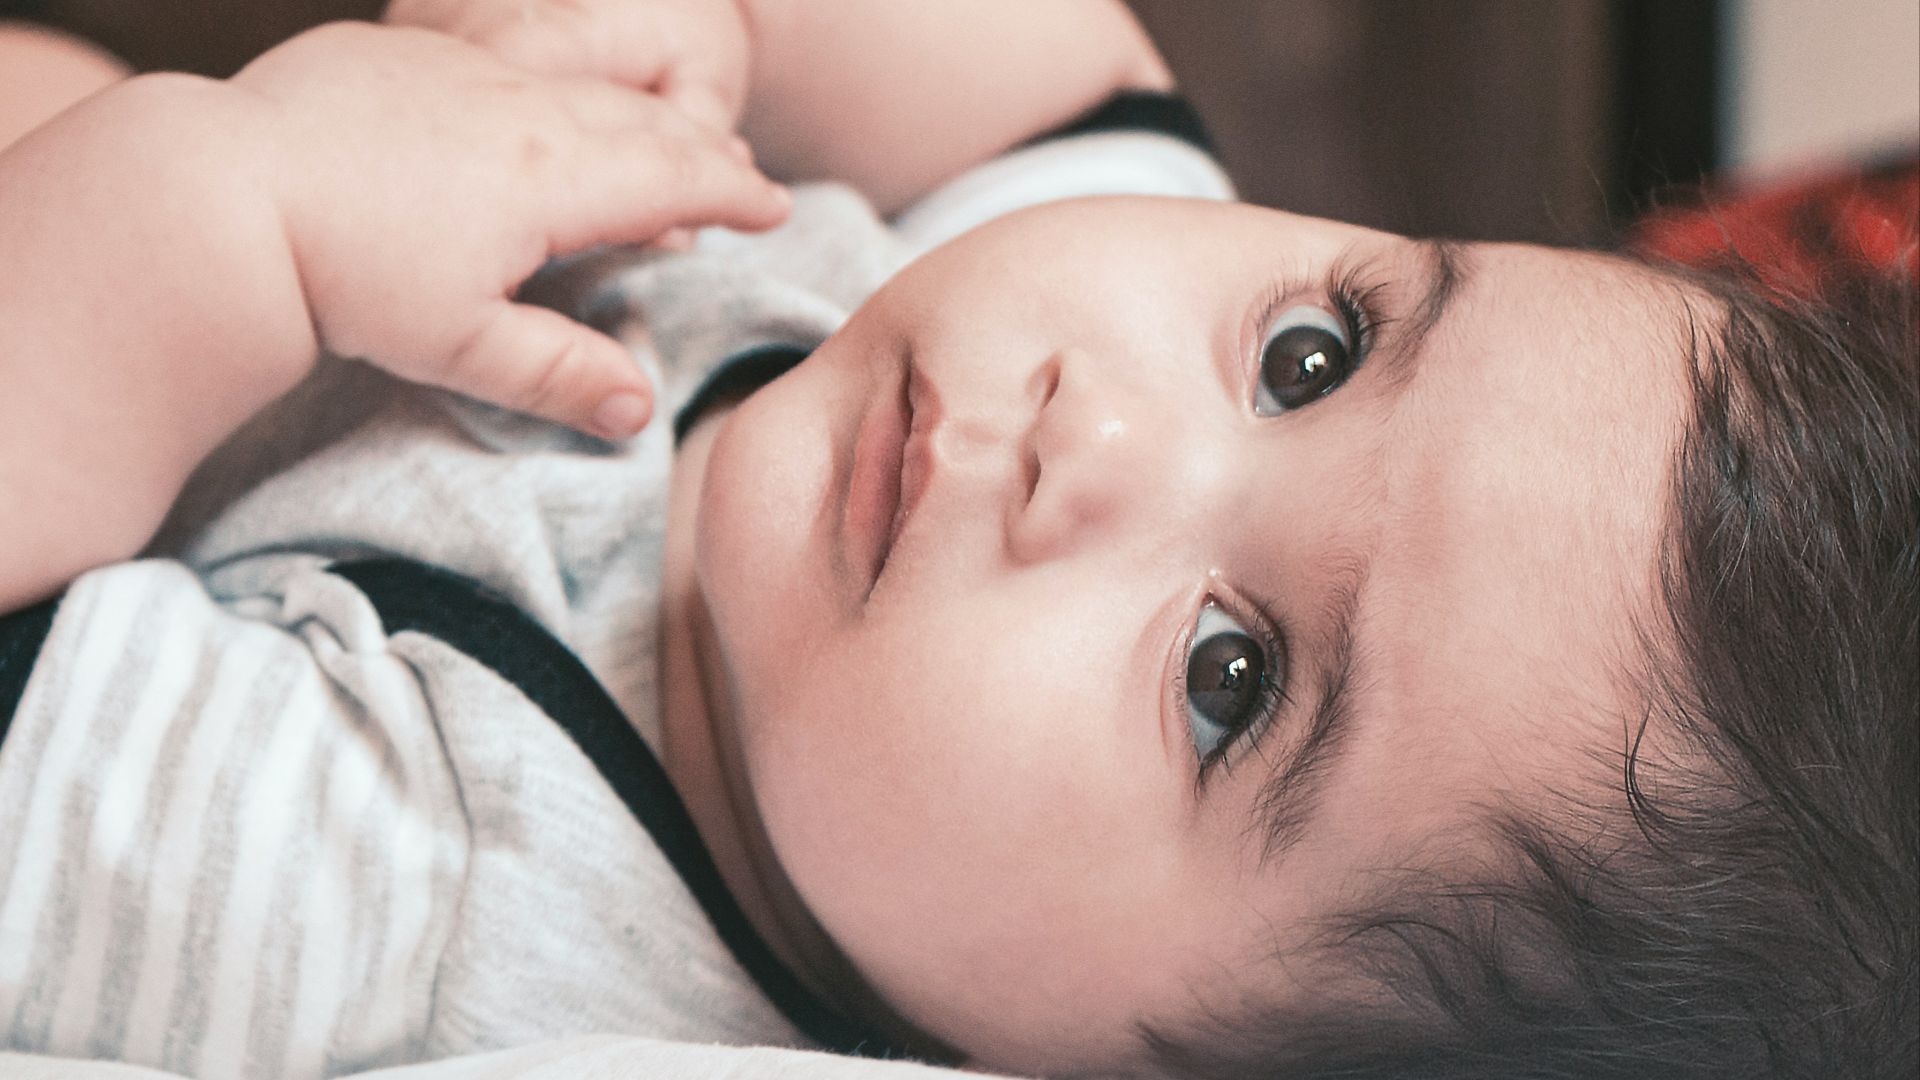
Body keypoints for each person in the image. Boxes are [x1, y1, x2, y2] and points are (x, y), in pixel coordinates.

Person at [0, 4, 1913, 1080]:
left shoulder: (416, 892)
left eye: (1229, 680)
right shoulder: (1046, 345)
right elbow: (1046, 73)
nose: (1099, 437)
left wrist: (223, 214)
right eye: (1319, 350)